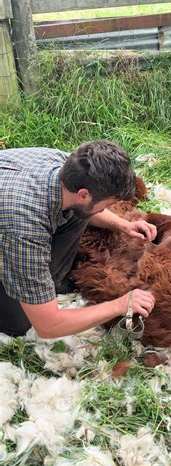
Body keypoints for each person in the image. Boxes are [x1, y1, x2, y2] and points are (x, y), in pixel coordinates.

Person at [0, 140, 156, 338]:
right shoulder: (25, 228)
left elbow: (88, 208)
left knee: (79, 213)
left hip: (12, 208)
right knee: (22, 323)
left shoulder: (67, 166)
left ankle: (46, 284)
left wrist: (123, 225)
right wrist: (120, 305)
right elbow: (48, 327)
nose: (108, 208)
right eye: (108, 203)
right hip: (12, 222)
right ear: (84, 194)